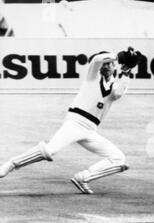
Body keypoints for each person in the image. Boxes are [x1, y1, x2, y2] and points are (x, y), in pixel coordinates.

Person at [0, 47, 142, 194]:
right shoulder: (92, 77)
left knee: (118, 158)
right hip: (75, 123)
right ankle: (10, 164)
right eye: (105, 64)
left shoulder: (115, 86)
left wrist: (127, 70)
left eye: (110, 64)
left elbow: (118, 94)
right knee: (50, 150)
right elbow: (97, 60)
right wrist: (120, 56)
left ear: (114, 68)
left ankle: (83, 177)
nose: (106, 66)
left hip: (90, 130)